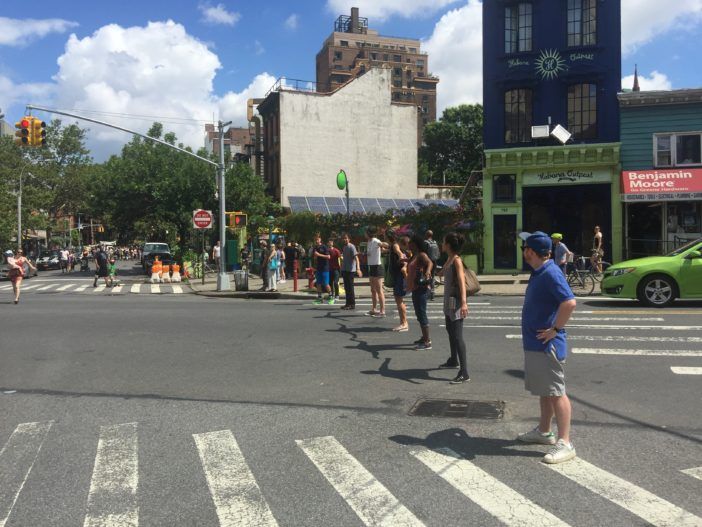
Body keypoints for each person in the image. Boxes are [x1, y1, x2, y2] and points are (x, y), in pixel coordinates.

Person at [517, 231, 577, 464]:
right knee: (545, 390)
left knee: (556, 392)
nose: (523, 251)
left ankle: (566, 442)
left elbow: (569, 302)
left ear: (530, 251)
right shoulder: (540, 271)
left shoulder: (550, 272)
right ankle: (544, 432)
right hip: (536, 343)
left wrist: (555, 329)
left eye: (525, 248)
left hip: (547, 344)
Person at [440, 232, 470, 383]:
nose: (442, 243)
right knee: (449, 329)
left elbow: (462, 282)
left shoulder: (457, 260)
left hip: (456, 301)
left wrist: (464, 303)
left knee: (458, 336)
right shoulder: (449, 258)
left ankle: (464, 373)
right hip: (448, 301)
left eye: (444, 241)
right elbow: (446, 272)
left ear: (449, 245)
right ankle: (453, 359)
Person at [406, 234, 434, 350]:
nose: (409, 246)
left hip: (421, 289)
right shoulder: (414, 256)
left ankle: (427, 342)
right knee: (419, 314)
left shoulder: (421, 255)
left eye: (411, 244)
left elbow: (430, 263)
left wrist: (427, 271)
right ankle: (424, 337)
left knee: (422, 314)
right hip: (415, 288)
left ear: (415, 244)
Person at [387, 231, 409, 332]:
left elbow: (401, 254)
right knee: (399, 300)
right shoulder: (394, 245)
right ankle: (403, 322)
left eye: (384, 236)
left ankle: (404, 323)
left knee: (399, 300)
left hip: (399, 276)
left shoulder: (395, 245)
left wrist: (402, 259)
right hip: (398, 276)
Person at [365, 226, 389, 317]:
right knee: (372, 290)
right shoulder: (369, 241)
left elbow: (385, 245)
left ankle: (382, 311)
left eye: (366, 232)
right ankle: (374, 309)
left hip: (377, 267)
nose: (365, 234)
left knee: (379, 290)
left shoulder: (375, 240)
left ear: (369, 233)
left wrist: (385, 244)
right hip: (371, 267)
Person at [340, 233, 362, 310]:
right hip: (345, 269)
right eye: (344, 238)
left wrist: (358, 269)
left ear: (349, 239)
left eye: (346, 238)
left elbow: (356, 258)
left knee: (350, 287)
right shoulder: (344, 247)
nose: (345, 239)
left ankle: (352, 304)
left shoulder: (351, 246)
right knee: (346, 287)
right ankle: (347, 303)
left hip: (350, 270)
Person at [312, 234, 333, 304]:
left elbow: (328, 257)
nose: (316, 241)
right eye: (315, 240)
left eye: (317, 239)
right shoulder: (315, 248)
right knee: (318, 283)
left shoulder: (324, 247)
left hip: (325, 268)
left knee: (326, 283)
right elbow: (315, 257)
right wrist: (315, 258)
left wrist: (319, 255)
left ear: (320, 239)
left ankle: (331, 296)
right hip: (318, 268)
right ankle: (320, 298)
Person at [424, 230, 440, 300]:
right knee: (432, 277)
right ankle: (432, 292)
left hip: (427, 262)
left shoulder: (425, 243)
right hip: (434, 261)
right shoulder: (435, 242)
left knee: (426, 277)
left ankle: (427, 292)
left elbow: (423, 253)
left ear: (426, 235)